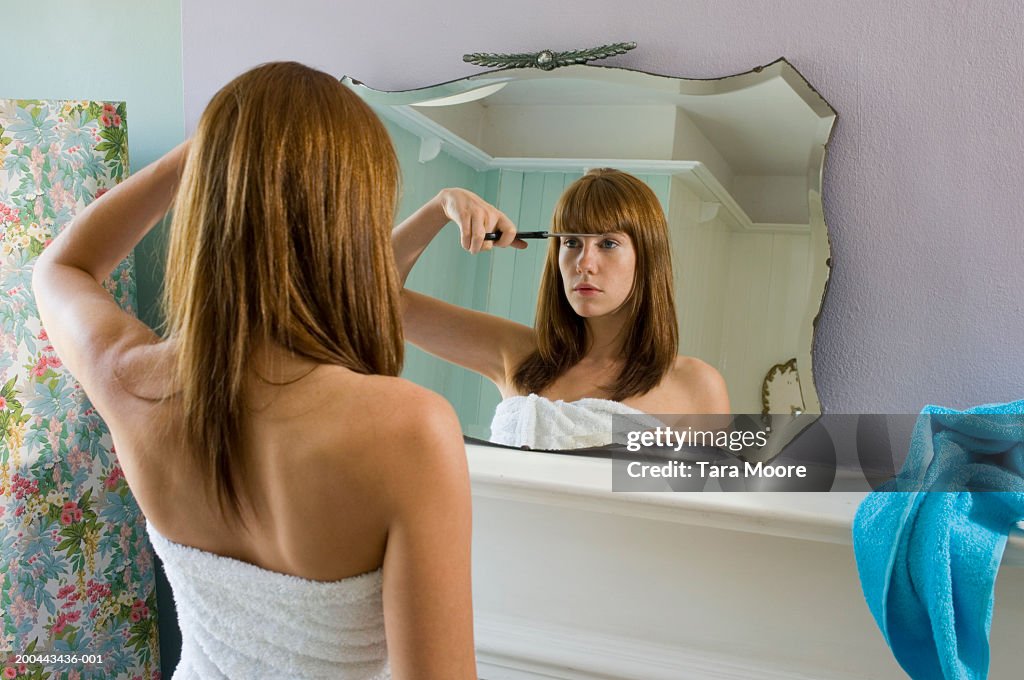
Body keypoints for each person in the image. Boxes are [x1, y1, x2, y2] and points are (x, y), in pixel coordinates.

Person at [33, 62, 476, 679]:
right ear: (353, 221)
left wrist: (215, 150)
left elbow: (61, 268)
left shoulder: (129, 381)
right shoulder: (410, 429)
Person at [393, 168, 730, 449]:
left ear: (648, 258)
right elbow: (374, 299)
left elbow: (712, 518)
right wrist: (440, 206)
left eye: (608, 243)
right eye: (571, 242)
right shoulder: (516, 353)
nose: (584, 262)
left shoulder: (695, 386)